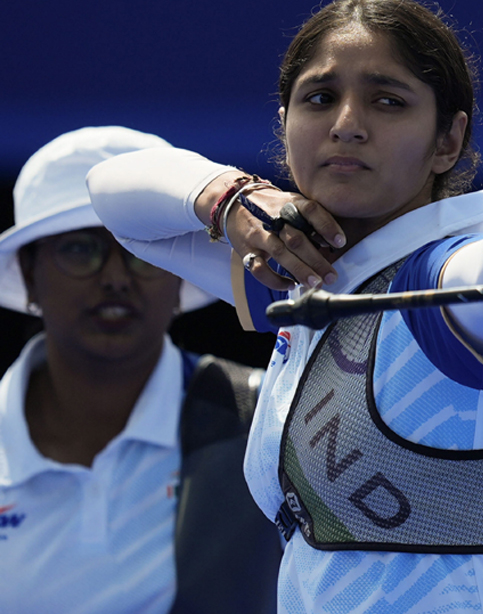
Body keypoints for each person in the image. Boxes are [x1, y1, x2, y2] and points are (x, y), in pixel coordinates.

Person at [87, 0, 483, 613]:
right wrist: (228, 198)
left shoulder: (446, 287)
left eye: (387, 101)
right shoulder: (309, 276)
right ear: (285, 126)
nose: (346, 123)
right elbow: (112, 195)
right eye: (319, 98)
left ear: (448, 142)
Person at [0, 126, 282, 613]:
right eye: (79, 249)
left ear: (181, 276)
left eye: (139, 253)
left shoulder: (273, 421)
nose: (114, 278)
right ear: (28, 273)